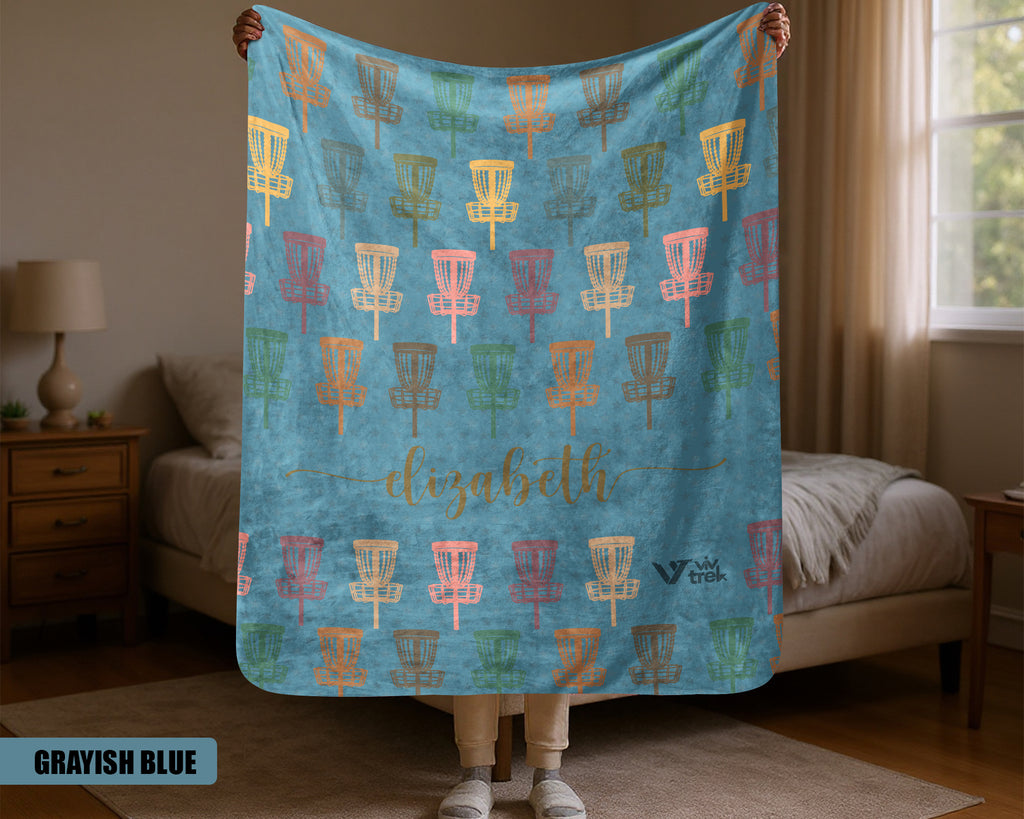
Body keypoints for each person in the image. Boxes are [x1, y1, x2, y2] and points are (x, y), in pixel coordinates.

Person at [232, 6, 790, 818]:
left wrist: (759, 47)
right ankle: (471, 770)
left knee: (558, 574)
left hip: (564, 404)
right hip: (456, 407)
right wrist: (267, 45)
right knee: (471, 579)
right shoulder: (445, 260)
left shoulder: (567, 264)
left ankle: (550, 768)